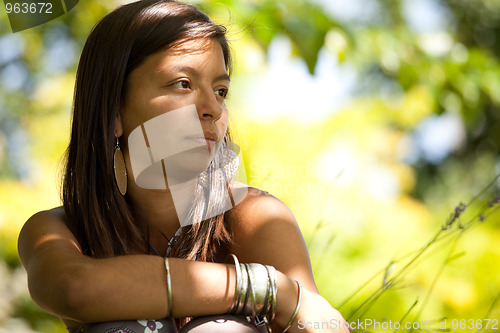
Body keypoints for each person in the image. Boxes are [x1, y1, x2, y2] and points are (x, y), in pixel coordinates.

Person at [17, 1, 351, 332]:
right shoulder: (59, 230)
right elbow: (75, 289)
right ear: (113, 111)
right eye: (183, 84)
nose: (213, 109)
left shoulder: (256, 219)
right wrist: (269, 289)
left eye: (220, 91)